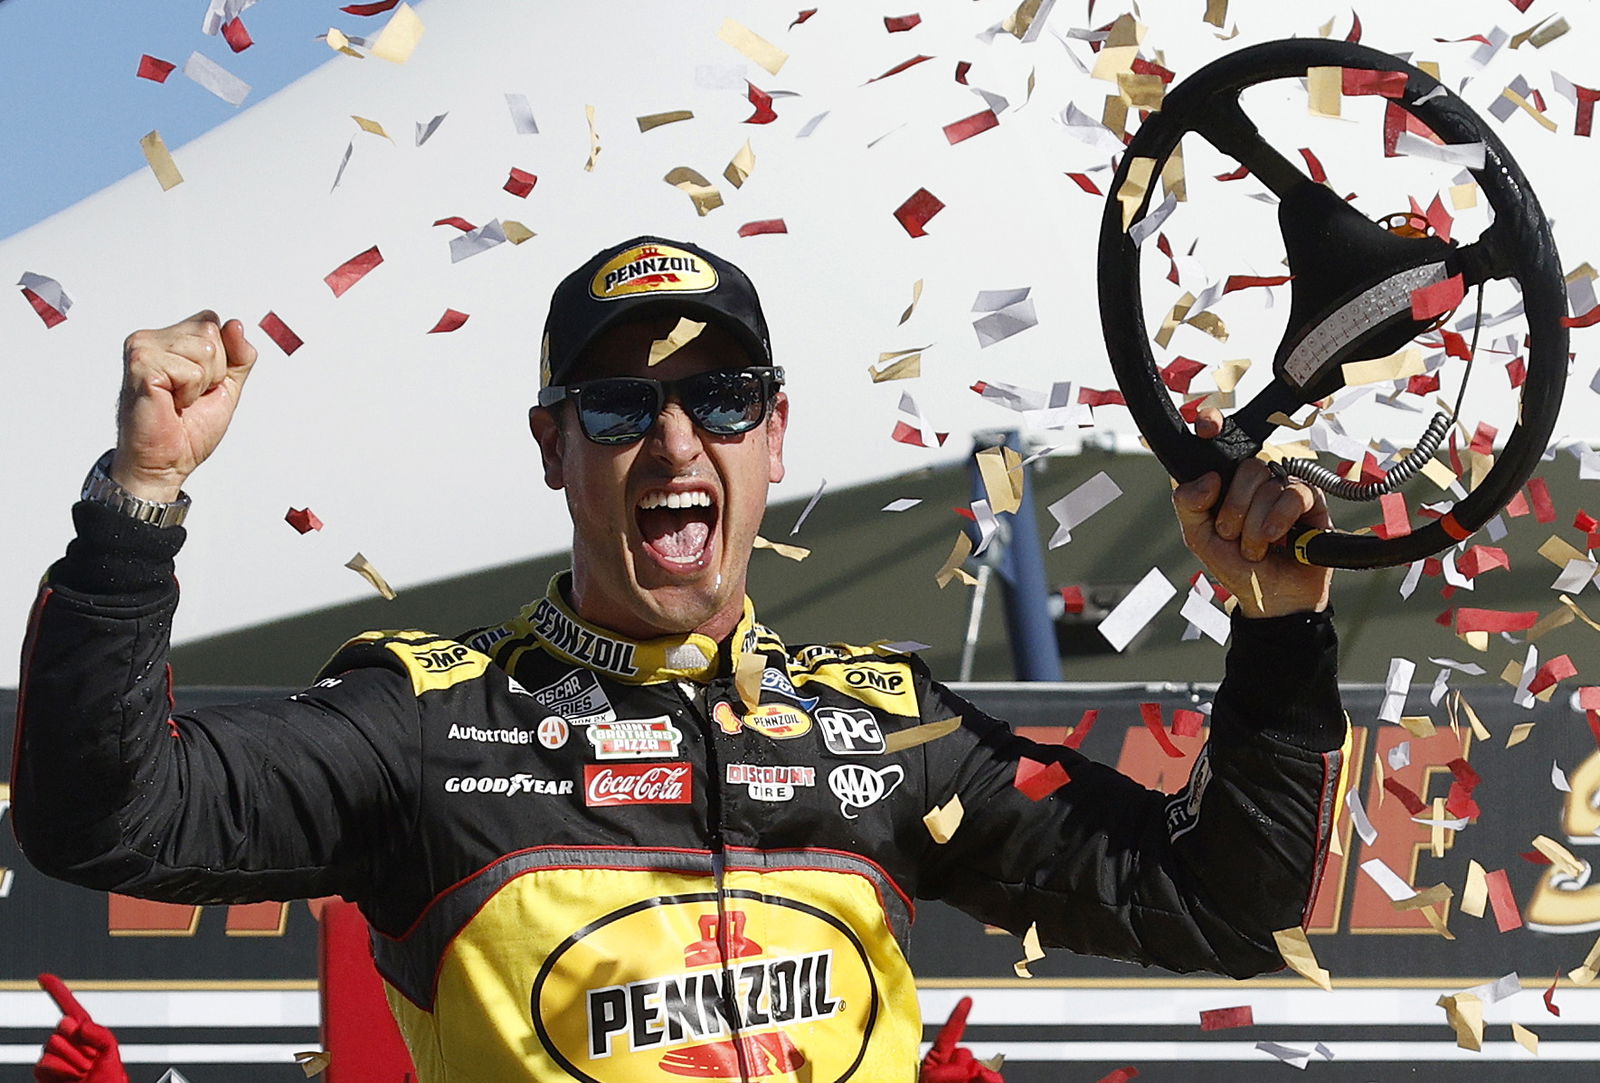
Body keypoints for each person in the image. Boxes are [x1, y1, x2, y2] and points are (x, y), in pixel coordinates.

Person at [13, 236, 1345, 1082]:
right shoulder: (428, 720)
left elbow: (1220, 902)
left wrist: (1279, 630)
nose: (673, 440)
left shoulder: (886, 729)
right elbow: (105, 818)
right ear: (553, 448)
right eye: (618, 403)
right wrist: (136, 508)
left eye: (717, 399)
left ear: (771, 436)